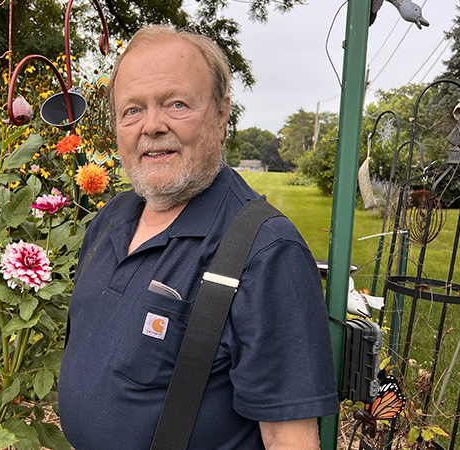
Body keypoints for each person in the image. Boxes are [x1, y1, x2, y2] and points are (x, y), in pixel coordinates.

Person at [58, 25, 339, 449]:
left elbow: (288, 438)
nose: (151, 126)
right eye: (132, 110)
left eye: (176, 104)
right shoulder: (109, 220)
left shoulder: (265, 253)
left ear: (222, 114)